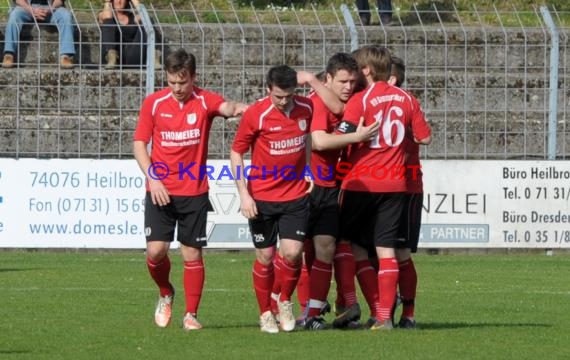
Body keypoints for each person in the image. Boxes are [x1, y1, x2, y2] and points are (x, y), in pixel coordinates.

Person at [133, 48, 247, 331]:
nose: (177, 88)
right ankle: (165, 291)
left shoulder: (204, 101)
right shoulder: (154, 103)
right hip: (159, 189)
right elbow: (139, 145)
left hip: (193, 191)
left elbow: (228, 109)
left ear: (193, 78)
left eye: (182, 82)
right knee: (156, 251)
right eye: (172, 82)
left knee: (191, 254)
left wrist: (247, 108)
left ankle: (191, 315)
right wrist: (154, 178)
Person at [336, 45, 431, 330]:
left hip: (361, 183)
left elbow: (345, 135)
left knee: (355, 247)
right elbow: (425, 139)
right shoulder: (408, 99)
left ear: (366, 70)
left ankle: (375, 310)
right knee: (388, 250)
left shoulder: (361, 100)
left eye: (356, 68)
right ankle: (387, 318)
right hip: (397, 183)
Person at [296, 53, 379, 330]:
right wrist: (356, 137)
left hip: (333, 184)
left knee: (328, 246)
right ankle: (296, 307)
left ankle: (324, 308)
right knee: (301, 250)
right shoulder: (318, 103)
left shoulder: (346, 102)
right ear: (328, 79)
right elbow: (318, 141)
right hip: (309, 184)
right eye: (342, 81)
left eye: (353, 82)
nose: (348, 87)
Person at [230, 65, 313, 334]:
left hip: (295, 194)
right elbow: (236, 153)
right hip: (262, 196)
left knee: (292, 252)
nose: (283, 101)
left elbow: (307, 140)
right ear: (268, 89)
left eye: (288, 95)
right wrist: (244, 194)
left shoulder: (306, 108)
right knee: (265, 255)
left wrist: (309, 168)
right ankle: (265, 312)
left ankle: (285, 300)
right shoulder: (256, 114)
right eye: (278, 96)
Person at [389, 55, 429, 329]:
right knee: (374, 252)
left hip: (406, 186)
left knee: (400, 252)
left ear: (391, 79)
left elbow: (424, 136)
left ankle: (409, 313)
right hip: (378, 186)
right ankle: (383, 312)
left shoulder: (407, 103)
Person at [2, 0, 75, 68]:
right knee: (14, 16)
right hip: (25, 7)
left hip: (50, 8)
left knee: (66, 16)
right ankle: (9, 54)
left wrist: (50, 9)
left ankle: (66, 56)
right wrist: (30, 9)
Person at [98, 0, 161, 69]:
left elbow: (145, 18)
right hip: (115, 58)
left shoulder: (132, 17)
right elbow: (106, 17)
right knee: (108, 21)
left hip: (132, 55)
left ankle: (154, 56)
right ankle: (112, 56)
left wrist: (136, 2)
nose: (119, 1)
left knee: (146, 20)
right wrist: (107, 2)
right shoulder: (104, 15)